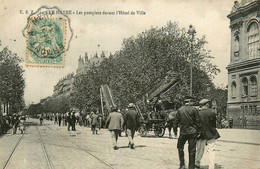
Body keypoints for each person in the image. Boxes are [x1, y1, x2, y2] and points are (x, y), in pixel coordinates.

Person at [173, 97, 201, 169]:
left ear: (184, 102)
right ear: (190, 101)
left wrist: (175, 131)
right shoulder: (194, 110)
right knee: (192, 150)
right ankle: (191, 167)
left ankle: (182, 164)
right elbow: (198, 121)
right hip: (193, 132)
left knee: (180, 147)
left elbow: (175, 121)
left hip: (183, 132)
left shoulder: (180, 110)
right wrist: (199, 131)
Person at [195, 99, 220, 169]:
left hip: (200, 134)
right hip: (210, 133)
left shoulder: (197, 113)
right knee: (211, 150)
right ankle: (211, 166)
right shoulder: (211, 112)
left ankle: (197, 163)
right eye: (209, 103)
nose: (210, 105)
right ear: (206, 104)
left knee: (199, 149)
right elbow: (214, 125)